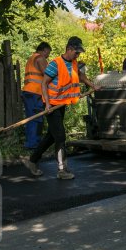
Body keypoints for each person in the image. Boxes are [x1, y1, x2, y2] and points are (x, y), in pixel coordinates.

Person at [24, 36, 100, 180]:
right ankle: (62, 170)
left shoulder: (74, 63)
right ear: (69, 49)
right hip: (51, 104)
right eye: (76, 52)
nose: (78, 55)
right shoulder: (55, 64)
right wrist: (46, 104)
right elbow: (44, 83)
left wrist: (93, 86)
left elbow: (81, 76)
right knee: (60, 136)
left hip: (62, 104)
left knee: (52, 136)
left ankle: (32, 160)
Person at [21, 42, 51, 149]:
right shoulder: (40, 58)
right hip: (35, 93)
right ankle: (33, 144)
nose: (48, 56)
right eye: (48, 52)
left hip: (28, 92)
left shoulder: (31, 58)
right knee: (36, 118)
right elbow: (48, 74)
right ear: (43, 50)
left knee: (31, 118)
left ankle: (31, 142)